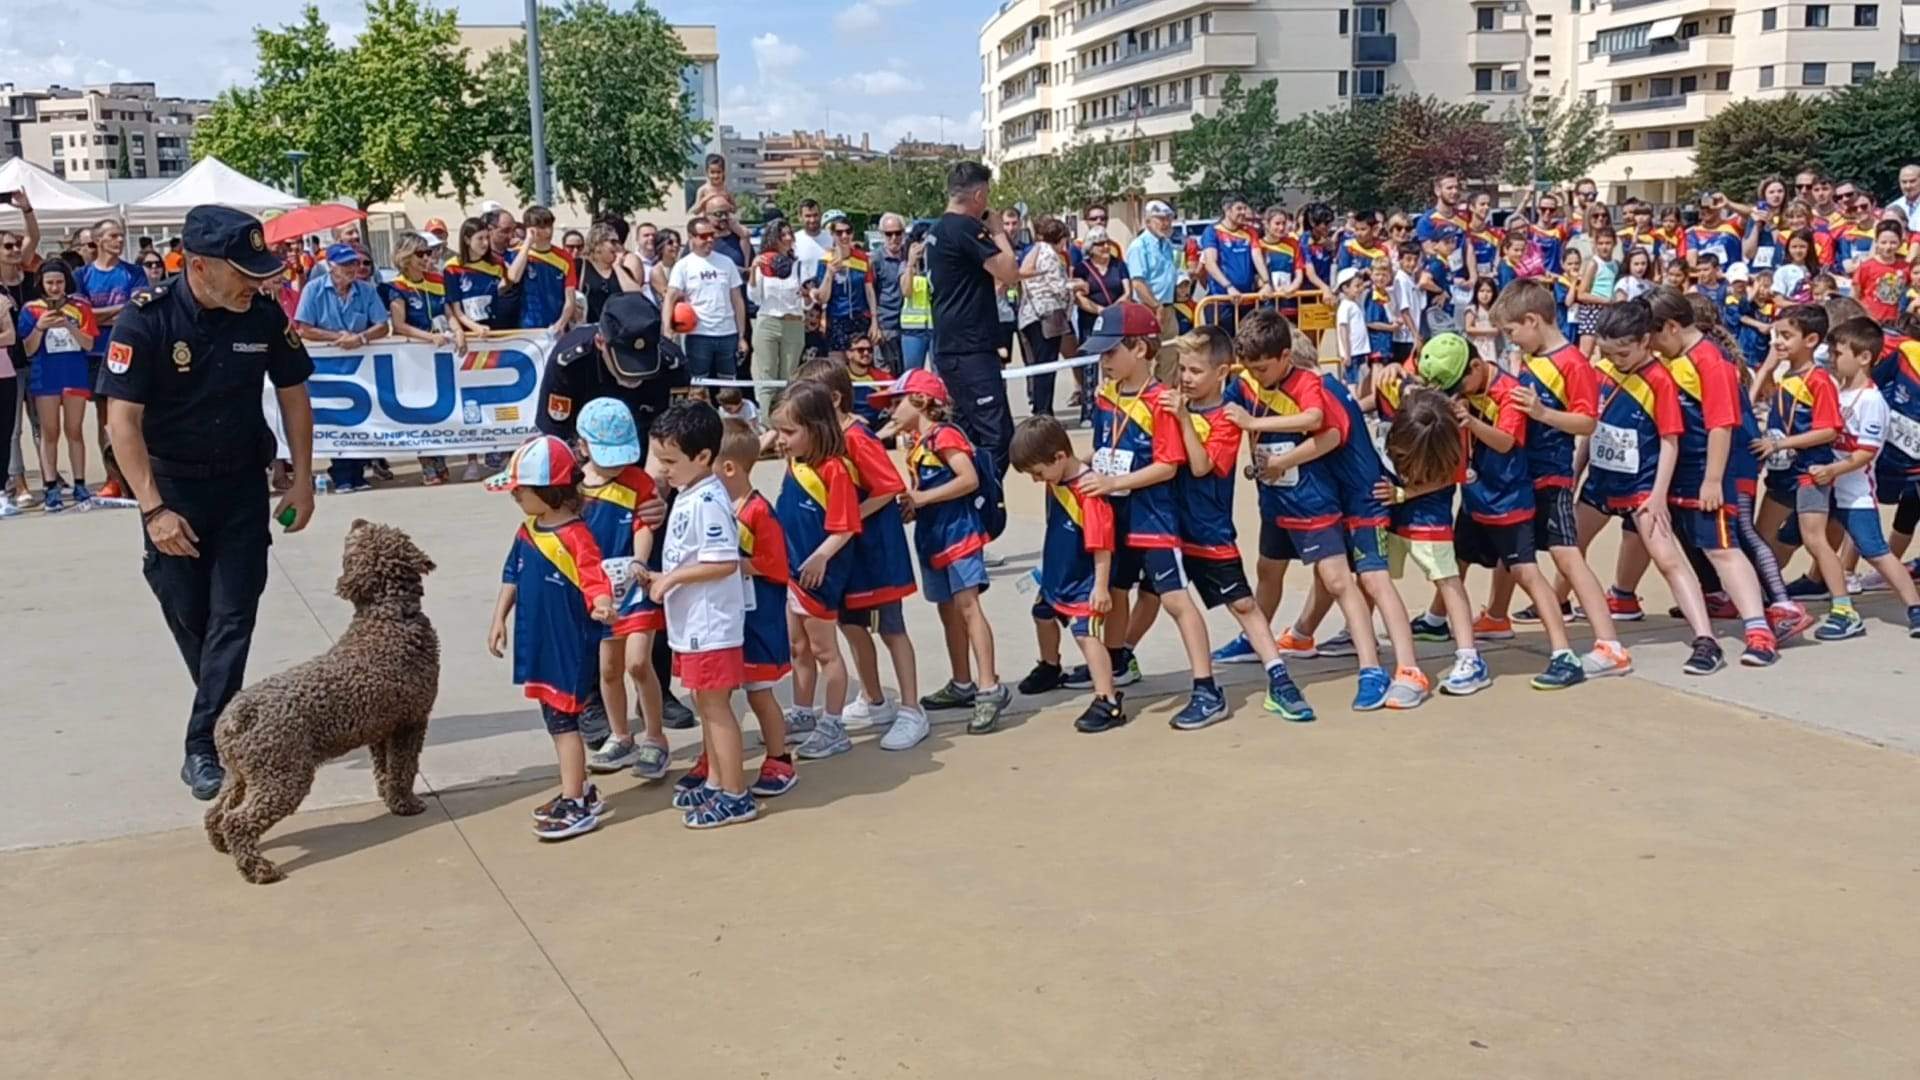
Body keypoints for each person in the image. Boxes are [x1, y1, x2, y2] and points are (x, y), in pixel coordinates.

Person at [99, 204, 316, 799]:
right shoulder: (146, 320)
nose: (256, 284)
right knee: (191, 615)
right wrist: (153, 510)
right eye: (243, 272)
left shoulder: (263, 315)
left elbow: (294, 395)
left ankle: (204, 746)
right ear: (199, 266)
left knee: (234, 616)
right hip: (172, 491)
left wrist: (303, 479)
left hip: (242, 487)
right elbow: (122, 423)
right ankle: (231, 716)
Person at [1394, 333, 1591, 690]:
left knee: (1526, 572)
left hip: (1508, 502)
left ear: (1475, 366)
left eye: (1458, 386)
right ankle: (1436, 620)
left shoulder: (1509, 392)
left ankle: (1564, 654)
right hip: (1475, 496)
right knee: (1457, 560)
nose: (1456, 394)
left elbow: (1505, 442)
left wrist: (1471, 422)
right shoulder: (1462, 393)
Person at [1160, 325, 1319, 725]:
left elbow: (1201, 466)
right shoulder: (1176, 406)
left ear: (1221, 373)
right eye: (1182, 369)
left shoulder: (1227, 419)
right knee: (1154, 597)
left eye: (1195, 371)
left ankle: (1279, 678)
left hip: (1208, 531)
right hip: (1165, 527)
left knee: (1244, 603)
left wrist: (1182, 420)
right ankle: (1120, 661)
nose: (1186, 378)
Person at [1482, 281, 1632, 674]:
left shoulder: (1572, 362)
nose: (1511, 340)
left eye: (1512, 331)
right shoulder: (1533, 357)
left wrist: (1542, 413)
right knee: (1513, 548)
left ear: (1532, 320)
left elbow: (1586, 422)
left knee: (1567, 555)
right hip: (1524, 471)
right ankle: (1496, 615)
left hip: (1551, 474)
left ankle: (1609, 644)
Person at [485, 436, 617, 840]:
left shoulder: (576, 536)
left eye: (520, 489)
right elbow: (512, 574)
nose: (515, 496)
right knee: (553, 719)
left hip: (567, 647)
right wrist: (499, 618)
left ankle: (576, 801)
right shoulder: (528, 531)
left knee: (563, 723)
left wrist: (602, 603)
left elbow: (595, 577)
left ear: (550, 491)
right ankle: (578, 789)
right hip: (538, 643)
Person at [793, 359, 924, 752]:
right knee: (852, 625)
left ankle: (912, 709)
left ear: (834, 399)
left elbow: (888, 487)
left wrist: (846, 516)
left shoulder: (857, 437)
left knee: (891, 628)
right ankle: (873, 699)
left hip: (876, 548)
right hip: (848, 551)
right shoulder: (824, 441)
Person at [640, 402, 760, 828]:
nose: (663, 469)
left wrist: (671, 579)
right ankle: (715, 780)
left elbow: (723, 561)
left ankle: (735, 794)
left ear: (704, 457)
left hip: (711, 626)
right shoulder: (689, 493)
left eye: (671, 461)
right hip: (692, 625)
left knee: (715, 708)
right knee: (704, 702)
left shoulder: (708, 499)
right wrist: (663, 575)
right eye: (660, 459)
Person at [877, 369, 1009, 733]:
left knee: (968, 607)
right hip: (934, 537)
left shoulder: (944, 435)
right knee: (948, 610)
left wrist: (922, 498)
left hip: (959, 535)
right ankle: (962, 682)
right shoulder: (919, 441)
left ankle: (988, 687)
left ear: (921, 400)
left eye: (897, 401)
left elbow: (969, 479)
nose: (891, 410)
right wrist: (915, 506)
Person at [685, 418, 799, 801]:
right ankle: (714, 759)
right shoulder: (710, 505)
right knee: (711, 695)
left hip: (757, 619)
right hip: (722, 618)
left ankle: (779, 759)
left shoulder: (758, 512)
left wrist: (728, 564)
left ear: (728, 467)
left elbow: (777, 565)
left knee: (759, 692)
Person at [572, 398, 671, 779]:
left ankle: (655, 738)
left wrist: (639, 562)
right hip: (599, 591)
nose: (616, 465)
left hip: (634, 587)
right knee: (608, 669)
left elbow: (643, 525)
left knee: (637, 662)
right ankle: (621, 736)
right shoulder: (574, 487)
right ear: (583, 446)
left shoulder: (637, 481)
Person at [1009, 414, 1125, 733]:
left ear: (1059, 457)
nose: (1036, 480)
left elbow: (1103, 546)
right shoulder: (1057, 479)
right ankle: (1050, 665)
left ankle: (1107, 698)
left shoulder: (1088, 493)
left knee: (1086, 635)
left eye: (1037, 472)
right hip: (1057, 574)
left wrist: (1100, 587)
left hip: (1083, 580)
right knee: (1042, 614)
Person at [770, 381, 859, 757]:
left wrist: (821, 556)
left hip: (818, 576)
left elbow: (846, 526)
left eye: (789, 431)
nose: (781, 439)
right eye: (778, 430)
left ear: (817, 428)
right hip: (791, 571)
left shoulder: (835, 470)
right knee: (797, 647)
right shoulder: (797, 462)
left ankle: (833, 724)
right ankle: (803, 712)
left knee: (825, 652)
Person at [1820, 318, 1920, 636]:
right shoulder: (1837, 391)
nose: (1832, 359)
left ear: (1864, 357)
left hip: (1854, 493)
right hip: (1827, 488)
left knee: (1876, 551)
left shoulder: (1872, 400)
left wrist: (1832, 470)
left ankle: (1915, 608)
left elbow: (1865, 453)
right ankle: (1838, 604)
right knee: (1814, 542)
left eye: (1838, 354)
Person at [926, 162, 1021, 485]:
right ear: (979, 195)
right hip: (970, 349)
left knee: (967, 434)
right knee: (998, 436)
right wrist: (998, 231)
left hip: (953, 347)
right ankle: (978, 497)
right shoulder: (964, 228)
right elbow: (1009, 271)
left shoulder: (938, 229)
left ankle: (962, 495)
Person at [294, 243, 390, 492]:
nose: (353, 268)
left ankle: (356, 473)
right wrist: (336, 337)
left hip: (360, 367)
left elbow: (382, 325)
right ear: (331, 266)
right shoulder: (314, 289)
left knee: (360, 418)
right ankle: (342, 473)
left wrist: (361, 338)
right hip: (325, 368)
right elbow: (304, 328)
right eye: (346, 264)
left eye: (355, 263)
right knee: (335, 419)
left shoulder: (366, 290)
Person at [74, 218, 146, 499]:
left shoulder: (134, 272)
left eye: (121, 235)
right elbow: (81, 315)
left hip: (126, 352)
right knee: (104, 417)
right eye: (113, 236)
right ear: (98, 240)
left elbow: (136, 310)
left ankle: (136, 476)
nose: (119, 240)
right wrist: (118, 309)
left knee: (131, 416)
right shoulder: (82, 275)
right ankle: (113, 477)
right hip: (95, 353)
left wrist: (99, 314)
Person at [18, 261, 98, 511]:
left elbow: (88, 344)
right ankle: (50, 485)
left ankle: (80, 483)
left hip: (74, 375)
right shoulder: (31, 309)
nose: (55, 287)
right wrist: (40, 327)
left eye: (59, 282)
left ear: (66, 282)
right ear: (41, 283)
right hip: (45, 377)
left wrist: (69, 325)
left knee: (74, 430)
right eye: (50, 282)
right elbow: (28, 349)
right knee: (49, 431)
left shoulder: (80, 307)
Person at [664, 216, 748, 383]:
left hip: (727, 333)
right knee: (698, 384)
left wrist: (741, 336)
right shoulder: (683, 265)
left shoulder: (727, 263)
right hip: (698, 334)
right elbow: (670, 298)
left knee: (729, 385)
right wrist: (667, 329)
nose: (709, 239)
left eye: (712, 235)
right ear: (691, 237)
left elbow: (737, 300)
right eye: (703, 236)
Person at [1016, 215, 1074, 418]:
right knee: (1047, 367)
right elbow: (1059, 287)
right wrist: (1077, 285)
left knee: (1039, 366)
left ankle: (1041, 409)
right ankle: (1044, 412)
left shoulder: (1034, 251)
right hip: (1046, 316)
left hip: (1030, 316)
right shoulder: (1050, 255)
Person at [1125, 199, 1181, 382]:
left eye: (1168, 219)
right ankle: (1144, 394)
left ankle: (1164, 392)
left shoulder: (1167, 245)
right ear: (1148, 221)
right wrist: (1156, 306)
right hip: (1147, 309)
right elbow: (1138, 283)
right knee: (1145, 357)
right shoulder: (1139, 247)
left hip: (1167, 307)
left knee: (1170, 356)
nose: (1165, 223)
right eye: (1160, 219)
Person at [750, 219, 807, 397]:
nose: (788, 238)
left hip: (793, 322)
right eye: (783, 235)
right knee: (767, 376)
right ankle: (765, 414)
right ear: (773, 238)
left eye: (790, 234)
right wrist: (753, 270)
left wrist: (807, 295)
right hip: (768, 320)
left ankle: (785, 414)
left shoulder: (798, 264)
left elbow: (807, 302)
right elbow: (755, 298)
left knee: (789, 379)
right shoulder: (763, 263)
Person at [811, 216, 878, 360]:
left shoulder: (862, 258)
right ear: (832, 235)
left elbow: (869, 291)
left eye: (848, 231)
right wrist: (829, 273)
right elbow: (823, 298)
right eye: (839, 232)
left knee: (860, 363)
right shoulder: (825, 260)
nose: (844, 236)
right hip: (836, 319)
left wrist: (874, 321)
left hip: (859, 318)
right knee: (838, 365)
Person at [870, 212, 909, 370]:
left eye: (898, 233)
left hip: (908, 326)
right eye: (889, 234)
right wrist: (875, 325)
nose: (894, 238)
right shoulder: (875, 260)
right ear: (882, 235)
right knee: (885, 373)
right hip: (885, 326)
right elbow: (870, 294)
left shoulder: (910, 257)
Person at [1852, 220, 1911, 325]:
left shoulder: (1905, 268)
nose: (1888, 247)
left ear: (1900, 243)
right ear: (1876, 242)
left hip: (1894, 322)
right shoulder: (1866, 267)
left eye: (1893, 242)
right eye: (1883, 242)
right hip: (1870, 320)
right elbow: (1854, 295)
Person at [898, 220, 935, 370]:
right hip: (912, 329)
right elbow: (906, 291)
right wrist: (911, 264)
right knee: (913, 373)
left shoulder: (937, 265)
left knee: (941, 373)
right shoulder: (905, 265)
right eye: (921, 240)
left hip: (936, 327)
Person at [577, 221, 626, 324]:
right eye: (613, 242)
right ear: (598, 244)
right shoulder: (579, 266)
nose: (617, 246)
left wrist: (617, 267)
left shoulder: (621, 270)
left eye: (618, 242)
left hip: (617, 329)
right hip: (587, 328)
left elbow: (635, 296)